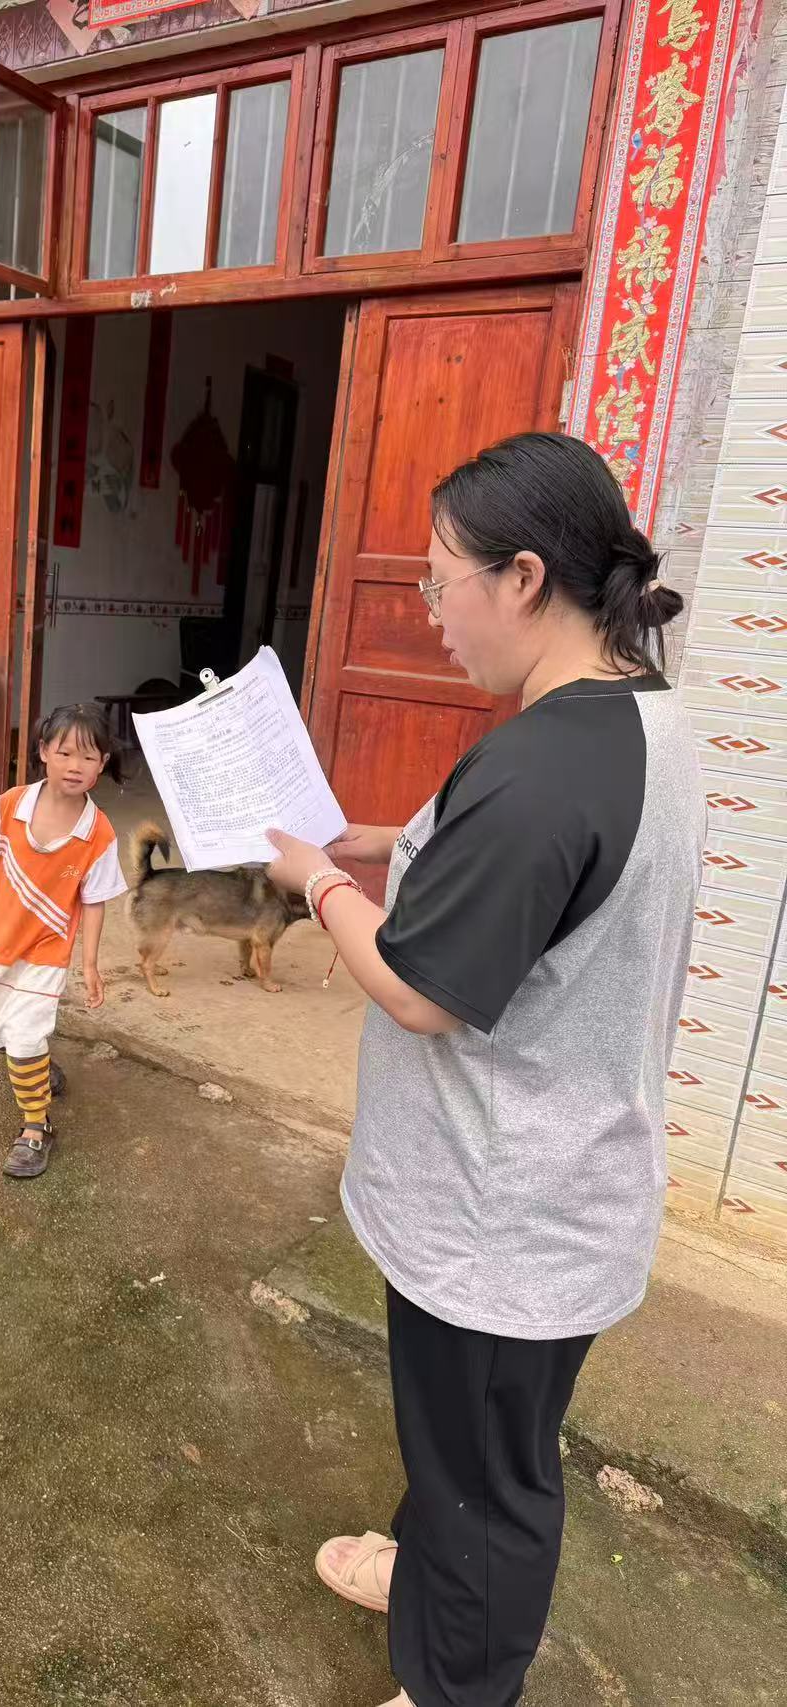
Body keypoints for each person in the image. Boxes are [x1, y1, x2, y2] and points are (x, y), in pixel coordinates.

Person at [265, 433, 703, 1707]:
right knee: (460, 1444)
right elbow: (523, 873)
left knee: (489, 1484)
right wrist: (379, 839)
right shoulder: (632, 716)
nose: (429, 611)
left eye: (437, 580)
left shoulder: (541, 766)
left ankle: (457, 1682)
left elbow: (419, 993)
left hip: (504, 1214)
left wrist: (318, 882)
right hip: (553, 1178)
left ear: (521, 578)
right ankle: (428, 1570)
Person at [0, 704, 128, 1178]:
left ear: (102, 764)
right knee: (2, 1024)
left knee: (21, 1036)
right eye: (65, 753)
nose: (75, 766)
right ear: (43, 752)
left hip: (46, 955)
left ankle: (36, 1127)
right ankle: (37, 1066)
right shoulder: (10, 805)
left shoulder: (99, 833)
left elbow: (94, 902)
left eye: (89, 757)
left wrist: (90, 966)